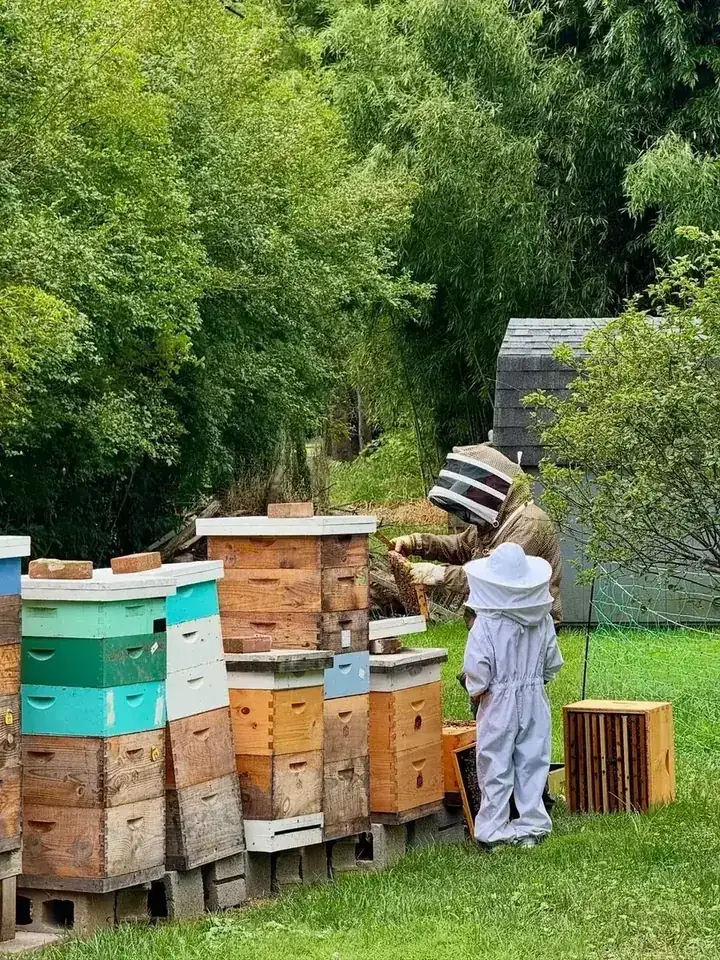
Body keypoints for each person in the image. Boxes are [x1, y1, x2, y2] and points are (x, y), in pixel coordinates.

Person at [390, 443, 563, 623]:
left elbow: (496, 577)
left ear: (495, 485)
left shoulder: (529, 524)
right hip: (496, 624)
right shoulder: (495, 523)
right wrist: (417, 542)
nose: (470, 495)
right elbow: (459, 546)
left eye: (473, 489)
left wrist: (437, 574)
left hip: (529, 626)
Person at [463, 542, 563, 849]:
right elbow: (552, 661)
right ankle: (532, 828)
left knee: (495, 764)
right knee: (533, 761)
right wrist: (535, 681)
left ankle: (493, 831)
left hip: (498, 701)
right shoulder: (542, 619)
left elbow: (477, 670)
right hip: (534, 697)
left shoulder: (486, 623)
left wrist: (478, 691)